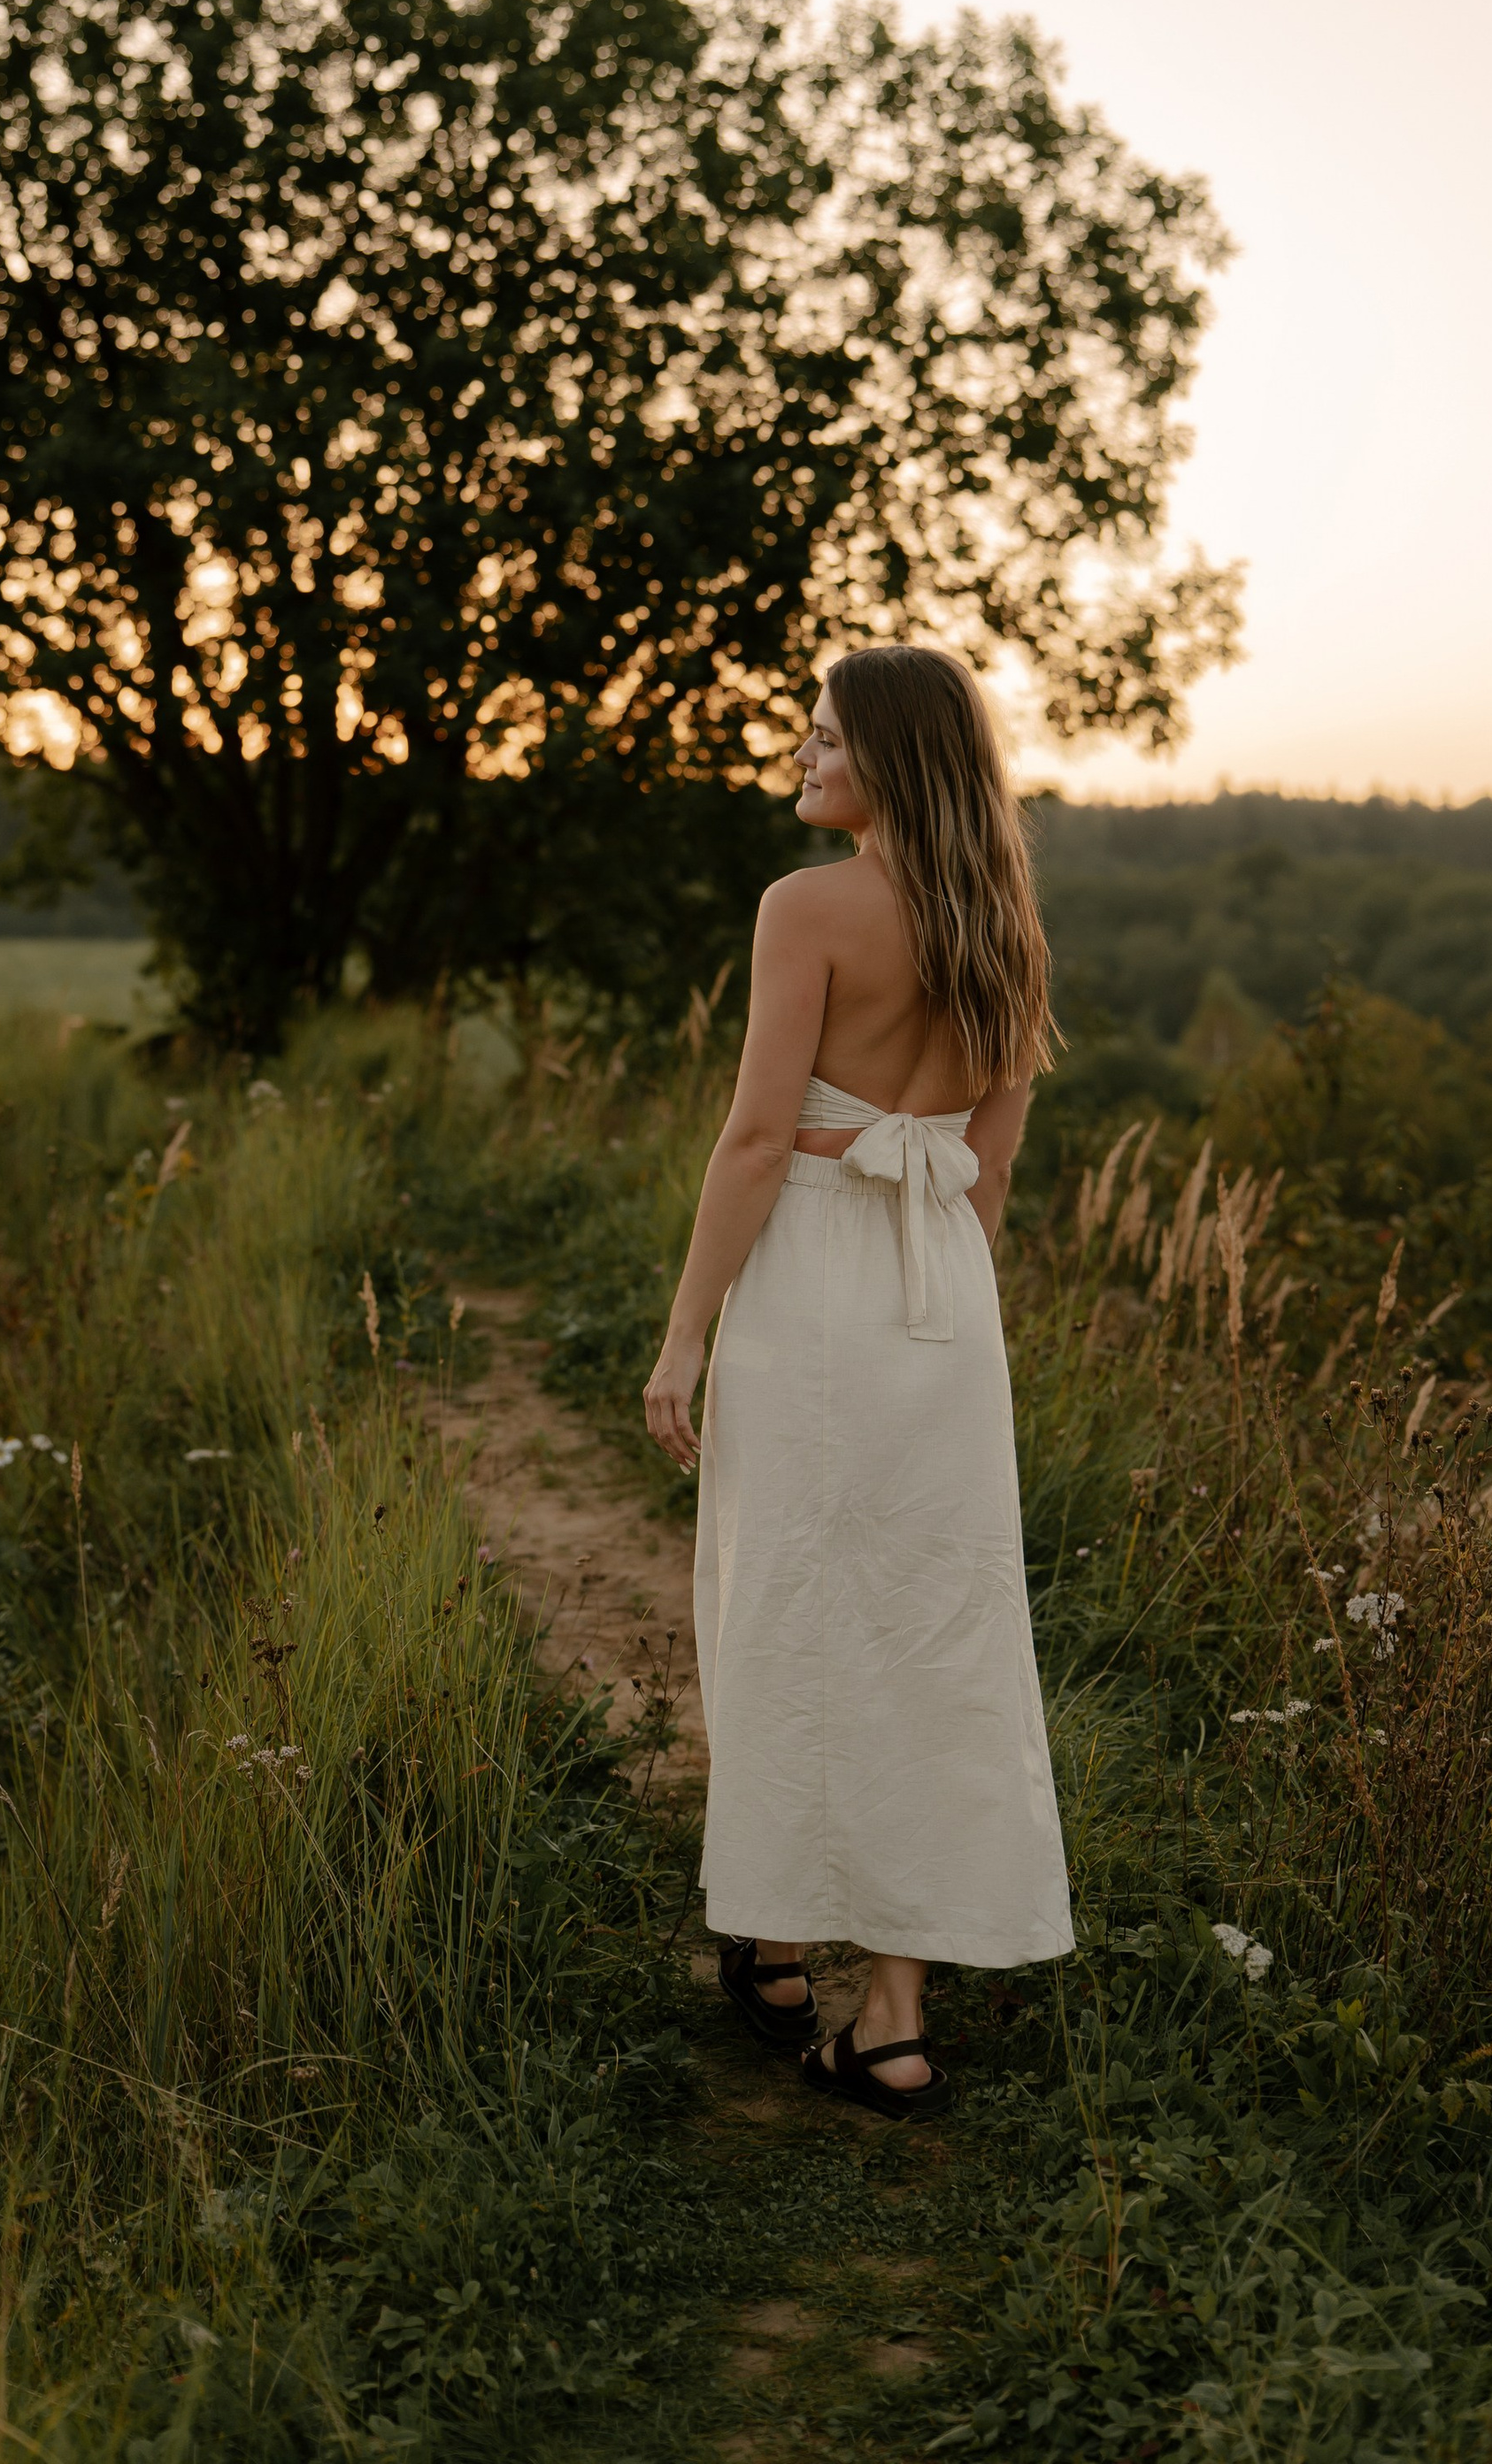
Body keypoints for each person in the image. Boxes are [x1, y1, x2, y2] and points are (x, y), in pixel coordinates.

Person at [642, 644, 1073, 2121]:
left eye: (823, 738)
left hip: (818, 1282)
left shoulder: (807, 908)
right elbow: (991, 1170)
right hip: (945, 1292)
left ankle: (769, 1937)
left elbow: (760, 1141)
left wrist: (686, 1331)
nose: (802, 760)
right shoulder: (1011, 928)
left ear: (890, 754)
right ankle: (892, 2017)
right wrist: (939, 1305)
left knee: (787, 1599)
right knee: (935, 1622)